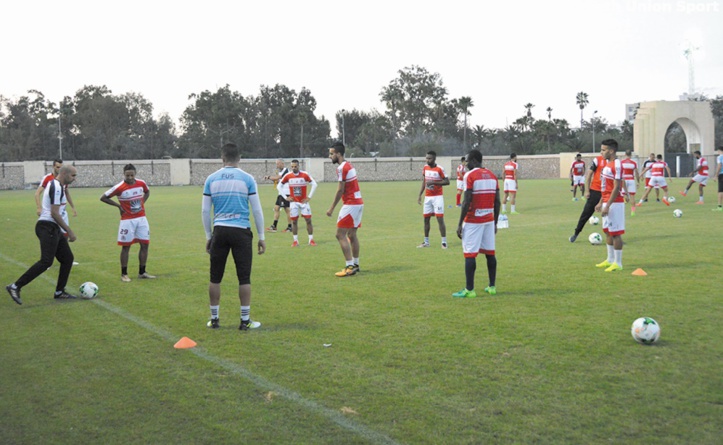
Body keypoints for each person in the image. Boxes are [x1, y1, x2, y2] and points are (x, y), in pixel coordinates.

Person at [202, 144, 265, 330]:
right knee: (244, 278)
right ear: (239, 158)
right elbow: (257, 210)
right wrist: (262, 236)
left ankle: (214, 320)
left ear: (222, 158)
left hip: (220, 231)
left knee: (215, 277)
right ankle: (245, 321)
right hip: (241, 231)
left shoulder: (211, 179)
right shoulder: (247, 179)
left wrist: (209, 235)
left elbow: (205, 210)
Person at [6, 165, 79, 304]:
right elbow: (54, 213)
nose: (75, 179)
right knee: (46, 261)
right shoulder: (56, 187)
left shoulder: (58, 186)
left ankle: (59, 292)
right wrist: (69, 231)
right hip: (47, 226)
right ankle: (15, 286)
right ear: (64, 173)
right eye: (73, 175)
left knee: (67, 258)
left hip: (53, 228)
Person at [452, 149, 500, 298]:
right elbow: (497, 201)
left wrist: (460, 223)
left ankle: (469, 290)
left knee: (470, 254)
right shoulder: (492, 176)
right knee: (490, 253)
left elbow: (466, 201)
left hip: (473, 220)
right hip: (489, 220)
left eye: (467, 161)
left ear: (473, 160)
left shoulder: (470, 176)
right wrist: (495, 222)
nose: (465, 164)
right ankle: (492, 287)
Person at [100, 164, 156, 282]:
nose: (130, 177)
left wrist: (142, 203)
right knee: (126, 246)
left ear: (135, 174)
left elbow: (147, 192)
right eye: (127, 175)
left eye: (132, 175)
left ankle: (142, 272)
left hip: (141, 219)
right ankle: (124, 274)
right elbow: (103, 197)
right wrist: (118, 206)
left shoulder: (141, 183)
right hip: (127, 220)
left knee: (145, 244)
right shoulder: (119, 187)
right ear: (124, 175)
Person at [326, 142, 363, 277]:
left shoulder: (341, 168)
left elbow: (340, 189)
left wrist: (331, 208)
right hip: (358, 202)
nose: (330, 156)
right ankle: (356, 264)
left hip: (351, 204)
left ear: (338, 154)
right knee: (352, 235)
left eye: (331, 153)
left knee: (339, 234)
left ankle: (349, 266)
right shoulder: (349, 165)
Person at [594, 139, 627, 272]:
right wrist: (601, 202)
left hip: (615, 203)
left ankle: (618, 263)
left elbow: (617, 186)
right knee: (607, 231)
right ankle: (609, 260)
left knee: (616, 234)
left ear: (611, 151)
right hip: (607, 201)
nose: (601, 152)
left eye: (603, 150)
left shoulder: (617, 164)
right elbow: (605, 187)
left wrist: (608, 205)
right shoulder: (608, 164)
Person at [278, 159, 318, 247]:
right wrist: (286, 197)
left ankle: (311, 240)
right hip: (293, 203)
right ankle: (295, 241)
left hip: (304, 202)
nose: (293, 168)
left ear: (298, 166)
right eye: (292, 167)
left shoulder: (305, 174)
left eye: (295, 166)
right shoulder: (288, 176)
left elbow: (314, 184)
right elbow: (279, 186)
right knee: (294, 221)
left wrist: (309, 197)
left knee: (308, 220)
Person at [569, 148, 604, 242]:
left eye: (604, 150)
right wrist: (587, 191)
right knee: (585, 214)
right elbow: (589, 175)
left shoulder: (615, 163)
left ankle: (616, 237)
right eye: (601, 150)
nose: (601, 152)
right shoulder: (598, 160)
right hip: (595, 191)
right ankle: (576, 233)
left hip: (608, 193)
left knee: (611, 216)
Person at [417, 150, 450, 249]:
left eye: (429, 158)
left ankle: (444, 242)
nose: (427, 160)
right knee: (426, 219)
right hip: (428, 197)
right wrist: (420, 194)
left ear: (434, 158)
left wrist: (435, 182)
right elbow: (424, 181)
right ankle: (426, 242)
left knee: (439, 219)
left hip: (437, 197)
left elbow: (447, 182)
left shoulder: (440, 169)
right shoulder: (425, 168)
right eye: (426, 158)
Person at [263, 159, 292, 233]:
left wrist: (269, 177)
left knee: (287, 210)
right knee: (276, 208)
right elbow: (278, 180)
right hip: (281, 193)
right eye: (276, 164)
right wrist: (273, 180)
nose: (277, 165)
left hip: (286, 193)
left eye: (278, 163)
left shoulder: (286, 170)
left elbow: (277, 178)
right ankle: (274, 226)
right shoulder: (280, 172)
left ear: (282, 163)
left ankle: (290, 227)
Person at [620, 150, 640, 216]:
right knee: (632, 196)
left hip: (624, 179)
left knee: (623, 196)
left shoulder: (621, 162)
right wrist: (638, 181)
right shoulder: (633, 163)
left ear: (625, 154)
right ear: (631, 155)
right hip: (631, 179)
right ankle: (633, 212)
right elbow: (637, 173)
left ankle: (622, 211)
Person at [714, 146, 723, 211]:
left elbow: (719, 166)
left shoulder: (719, 157)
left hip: (722, 174)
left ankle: (719, 206)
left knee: (720, 190)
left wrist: (716, 175)